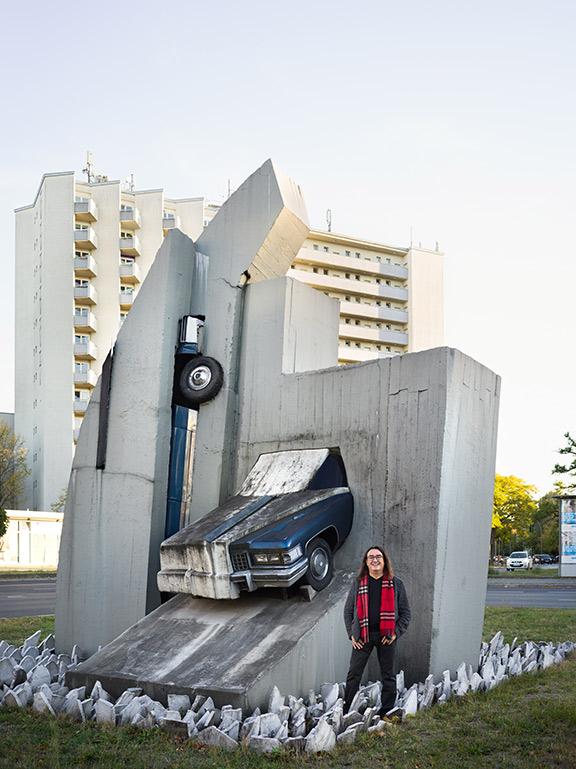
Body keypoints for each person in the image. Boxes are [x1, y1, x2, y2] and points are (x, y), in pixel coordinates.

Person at [343, 545, 411, 715]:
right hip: (362, 637)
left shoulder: (396, 584)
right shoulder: (359, 583)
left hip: (386, 637)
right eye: (371, 557)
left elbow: (406, 614)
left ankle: (386, 711)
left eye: (378, 556)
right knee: (354, 674)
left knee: (388, 675)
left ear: (384, 561)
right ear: (366, 562)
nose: (375, 559)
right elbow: (348, 611)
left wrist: (395, 633)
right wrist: (352, 634)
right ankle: (347, 710)